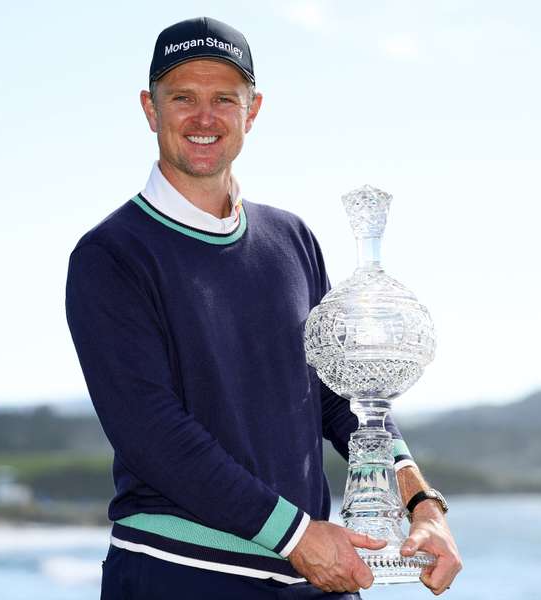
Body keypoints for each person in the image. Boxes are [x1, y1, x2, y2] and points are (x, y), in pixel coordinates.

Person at [65, 16, 461, 599]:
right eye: (183, 98)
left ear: (252, 111)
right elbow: (154, 434)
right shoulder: (111, 255)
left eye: (224, 98)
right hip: (179, 576)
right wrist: (298, 537)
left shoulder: (291, 237)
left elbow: (337, 393)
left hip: (309, 579)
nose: (205, 118)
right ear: (151, 110)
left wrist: (420, 500)